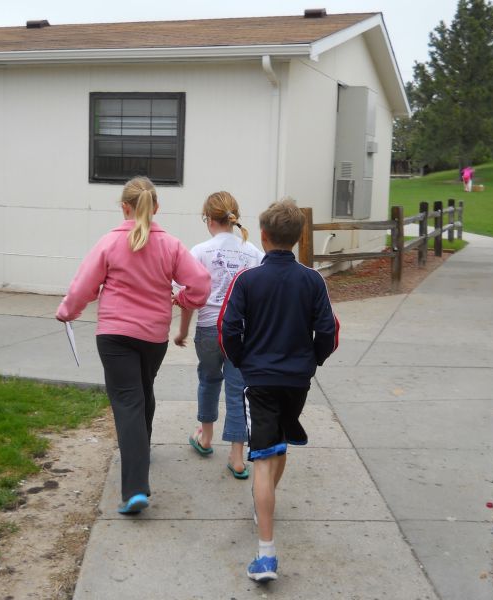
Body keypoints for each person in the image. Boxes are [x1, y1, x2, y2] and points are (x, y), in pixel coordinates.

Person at [56, 176, 210, 514]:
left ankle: (136, 486)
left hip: (114, 335)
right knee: (142, 391)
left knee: (128, 401)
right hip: (153, 336)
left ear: (125, 207)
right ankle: (141, 452)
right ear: (156, 207)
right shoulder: (171, 245)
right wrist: (182, 297)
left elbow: (83, 285)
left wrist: (67, 311)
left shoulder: (109, 242)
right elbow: (200, 283)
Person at [219, 198, 339, 582]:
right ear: (299, 235)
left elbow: (228, 329)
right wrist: (312, 361)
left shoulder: (248, 280)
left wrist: (242, 361)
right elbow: (329, 331)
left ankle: (266, 555)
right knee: (278, 445)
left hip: (260, 381)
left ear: (265, 236)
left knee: (263, 461)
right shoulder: (313, 280)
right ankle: (263, 502)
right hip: (296, 381)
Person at [174, 191, 264, 479]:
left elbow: (190, 297)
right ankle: (237, 456)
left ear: (209, 219)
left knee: (209, 380)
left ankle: (206, 438)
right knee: (238, 391)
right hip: (242, 333)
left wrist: (182, 331)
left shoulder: (199, 251)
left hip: (209, 329)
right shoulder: (254, 253)